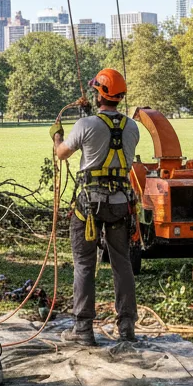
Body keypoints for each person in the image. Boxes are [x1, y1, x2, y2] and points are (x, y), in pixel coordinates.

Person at [49, 68, 139, 345]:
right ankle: (126, 328)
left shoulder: (86, 125)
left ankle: (83, 330)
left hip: (90, 205)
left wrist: (56, 135)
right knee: (122, 264)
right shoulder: (132, 127)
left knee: (85, 264)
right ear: (120, 96)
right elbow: (105, 135)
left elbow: (62, 153)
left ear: (99, 93)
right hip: (121, 203)